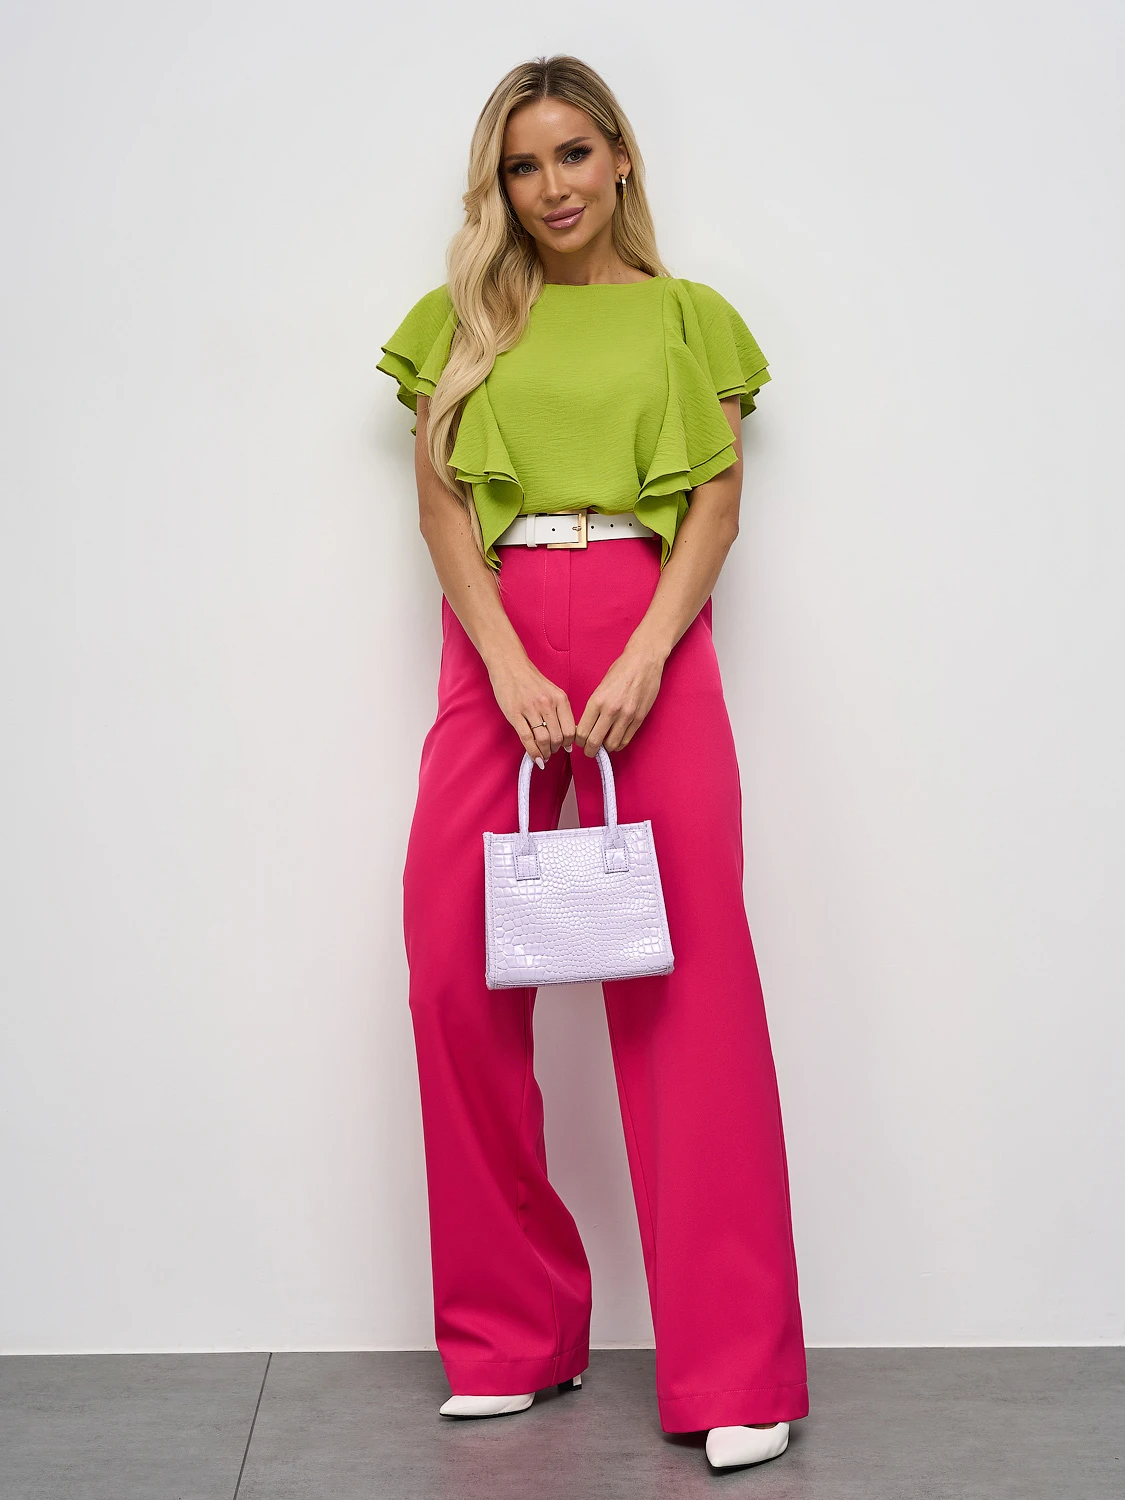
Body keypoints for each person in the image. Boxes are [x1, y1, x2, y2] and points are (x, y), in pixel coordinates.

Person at [376, 53, 809, 1472]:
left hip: (650, 633)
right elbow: (443, 511)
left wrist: (642, 657)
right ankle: (514, 1336)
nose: (551, 187)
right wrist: (506, 661)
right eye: (522, 165)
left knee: (686, 986)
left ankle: (736, 1370)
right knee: (454, 967)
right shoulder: (464, 322)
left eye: (572, 154)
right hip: (495, 640)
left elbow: (716, 508)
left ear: (620, 157)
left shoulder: (689, 318)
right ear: (498, 187)